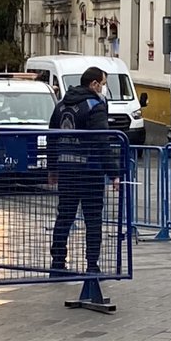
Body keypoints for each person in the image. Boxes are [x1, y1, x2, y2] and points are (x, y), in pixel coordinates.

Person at [48, 66, 120, 273]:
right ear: (94, 84)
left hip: (66, 170)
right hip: (90, 172)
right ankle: (91, 265)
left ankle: (58, 263)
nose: (104, 89)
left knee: (64, 217)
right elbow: (101, 141)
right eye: (103, 84)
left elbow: (52, 137)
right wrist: (114, 173)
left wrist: (53, 168)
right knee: (93, 220)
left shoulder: (61, 105)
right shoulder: (94, 105)